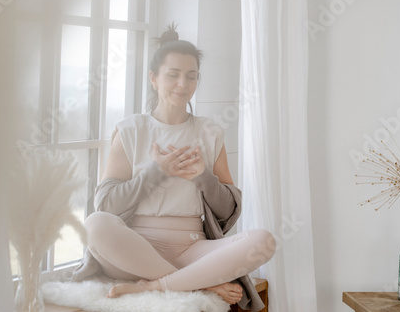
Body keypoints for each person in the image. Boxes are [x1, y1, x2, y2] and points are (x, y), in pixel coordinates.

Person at [71, 24, 276, 310]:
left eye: (191, 76)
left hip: (193, 247)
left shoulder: (209, 132)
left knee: (264, 241)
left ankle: (159, 284)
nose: (183, 84)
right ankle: (202, 283)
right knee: (94, 224)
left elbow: (229, 210)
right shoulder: (131, 130)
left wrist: (203, 177)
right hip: (136, 251)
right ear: (154, 79)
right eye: (173, 75)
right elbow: (106, 204)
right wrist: (157, 173)